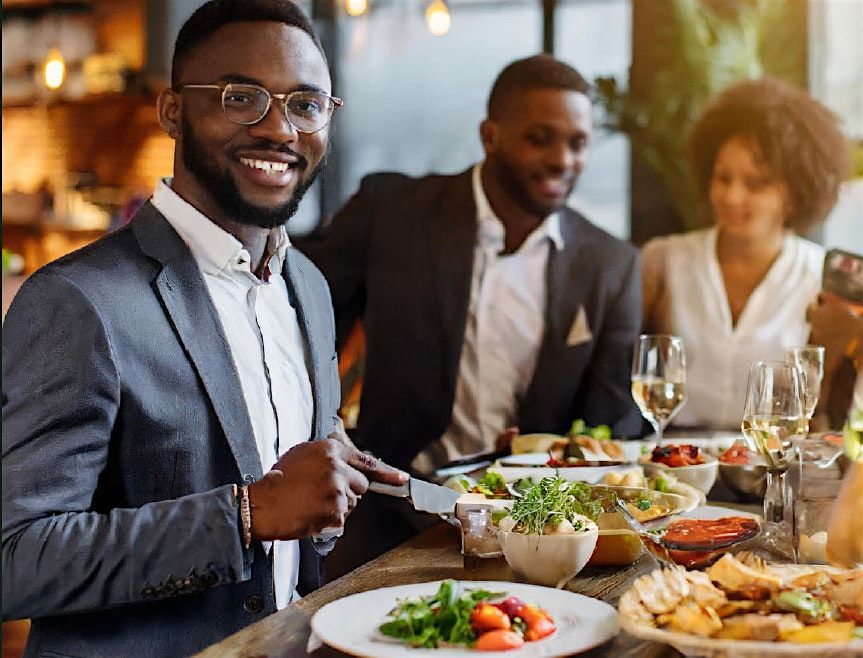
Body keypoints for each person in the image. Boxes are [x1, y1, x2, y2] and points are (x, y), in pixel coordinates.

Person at [1, 2, 406, 656]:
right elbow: (17, 559)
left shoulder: (306, 287)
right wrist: (248, 514)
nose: (279, 128)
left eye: (305, 104)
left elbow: (298, 542)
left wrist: (327, 489)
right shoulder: (78, 302)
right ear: (172, 111)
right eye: (241, 97)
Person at [297, 54, 643, 573]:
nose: (562, 160)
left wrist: (551, 460)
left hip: (535, 522)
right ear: (492, 135)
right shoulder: (392, 211)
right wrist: (325, 431)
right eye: (540, 138)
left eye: (578, 143)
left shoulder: (611, 264)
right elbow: (304, 321)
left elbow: (610, 420)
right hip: (391, 501)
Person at [641, 77, 851, 430]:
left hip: (769, 465)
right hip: (675, 466)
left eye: (756, 184)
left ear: (796, 193)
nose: (732, 196)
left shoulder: (820, 278)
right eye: (723, 178)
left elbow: (825, 410)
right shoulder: (663, 261)